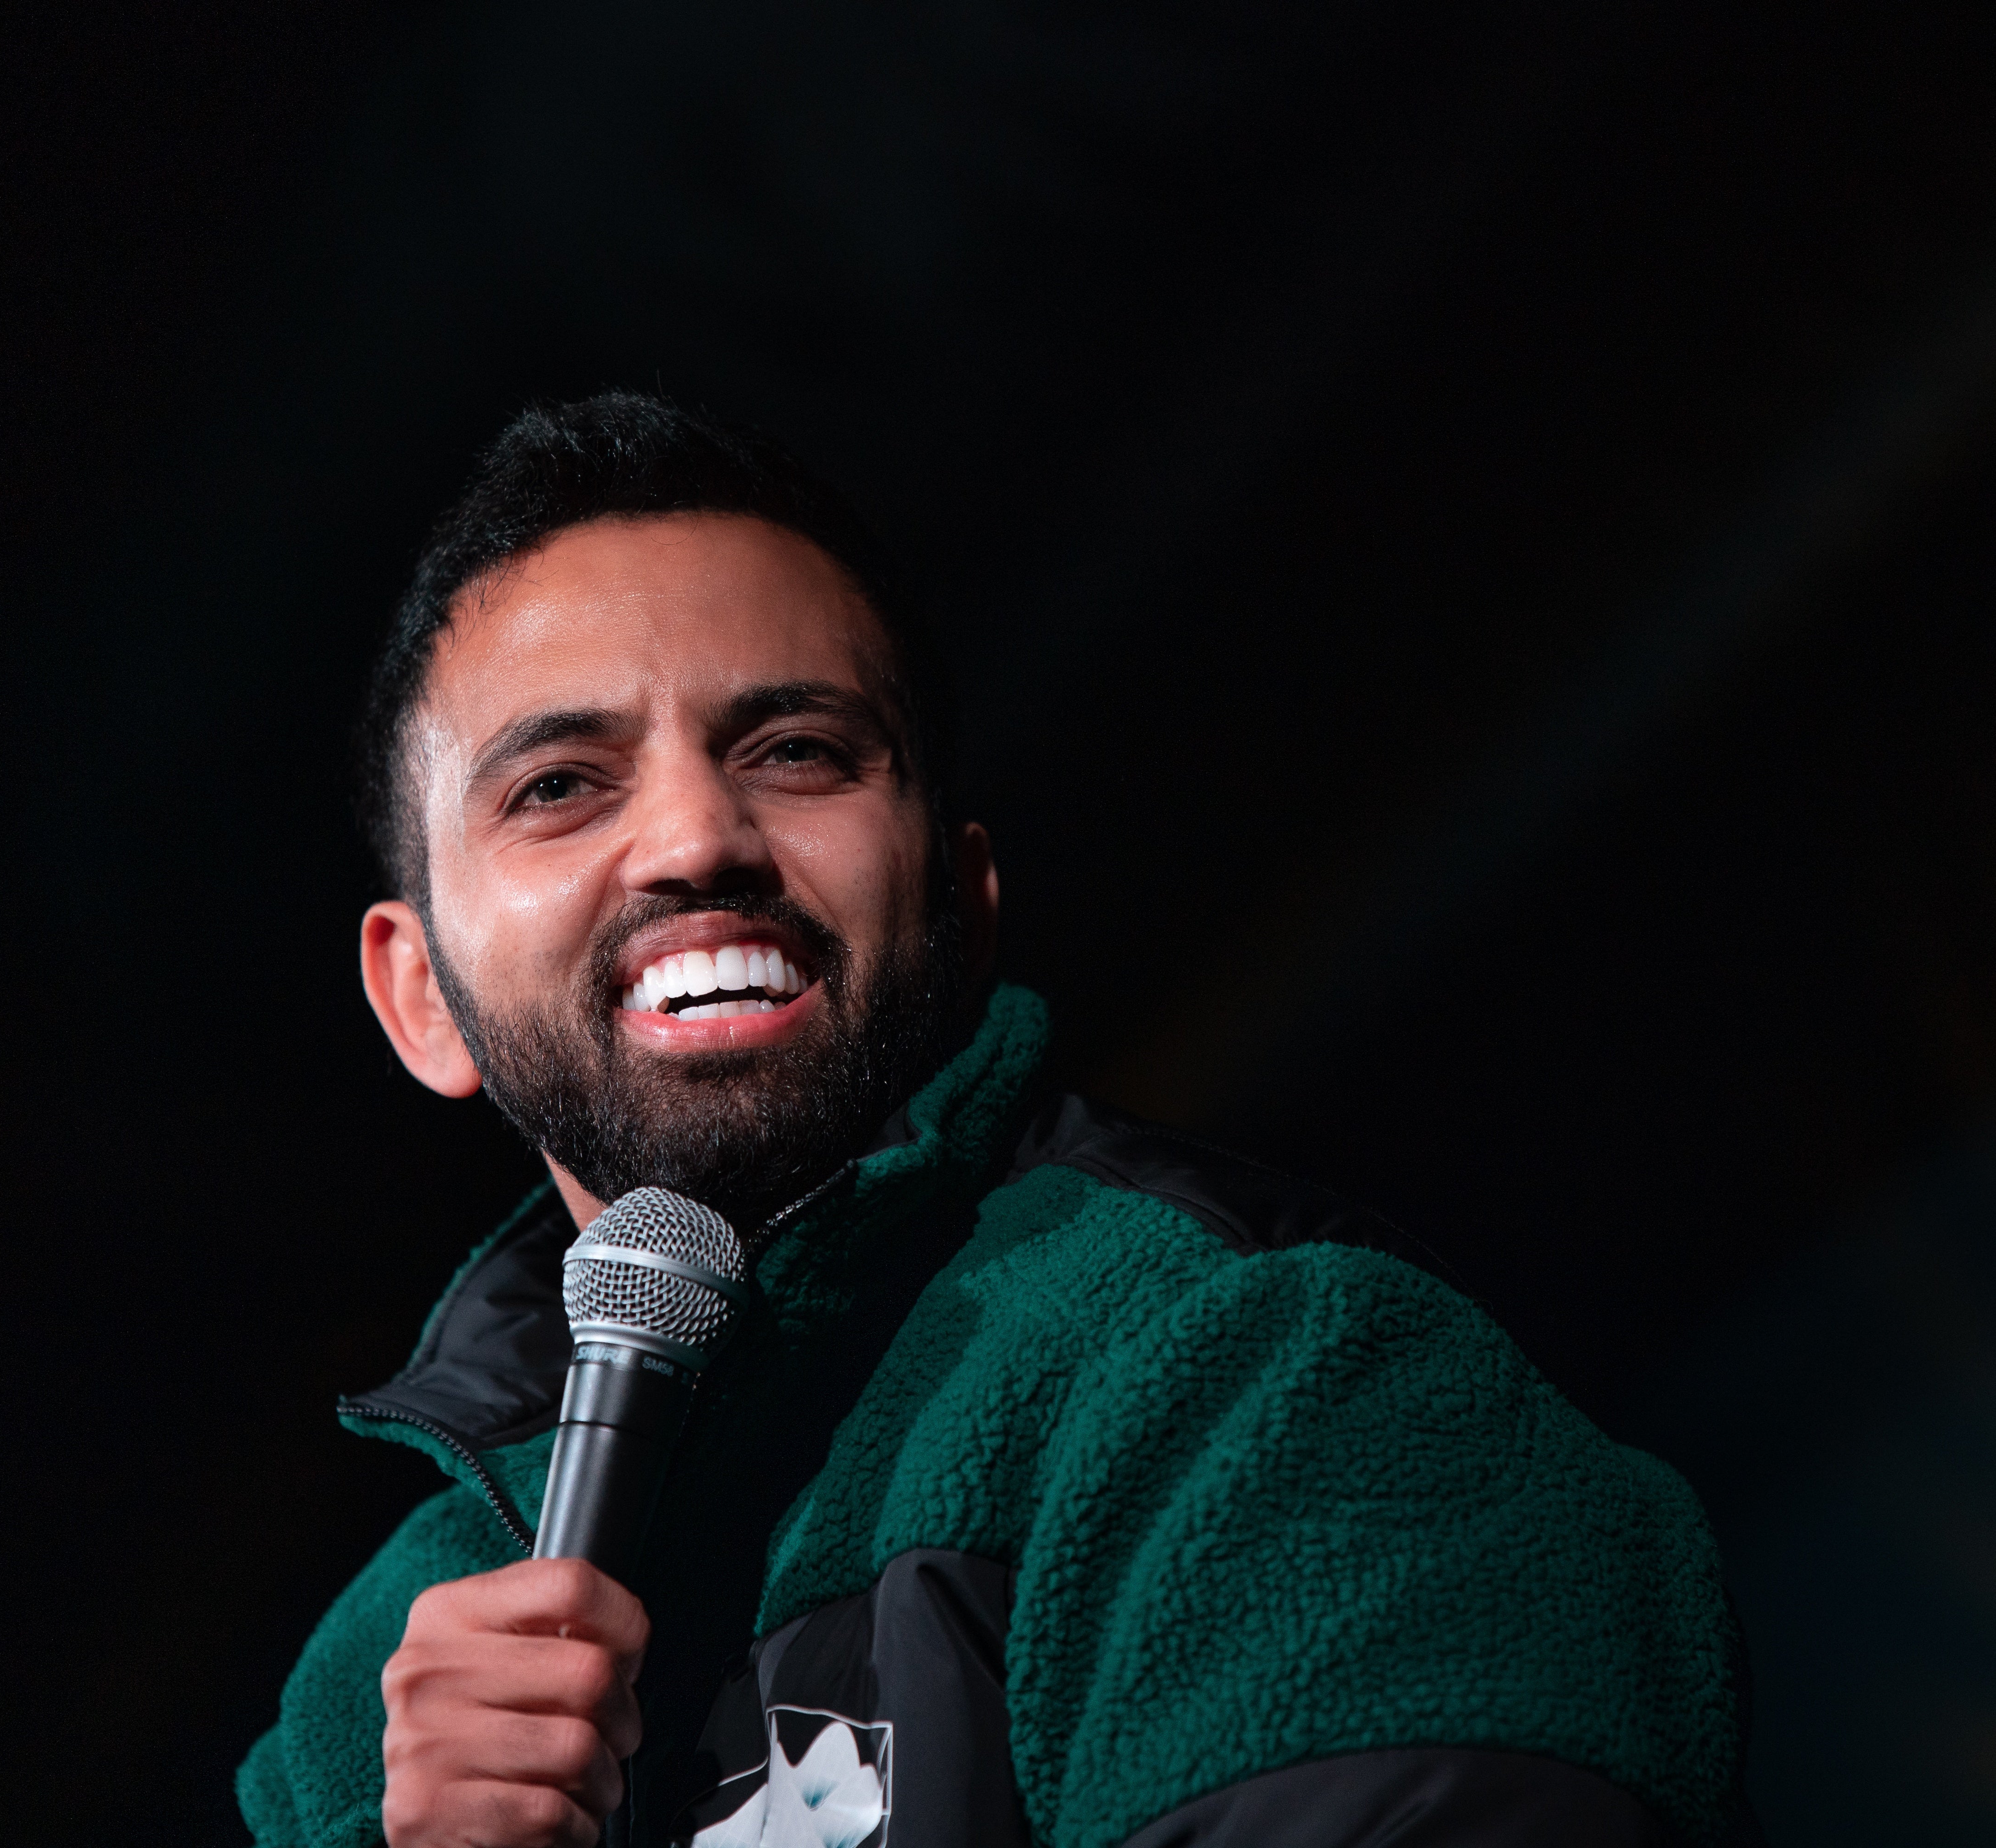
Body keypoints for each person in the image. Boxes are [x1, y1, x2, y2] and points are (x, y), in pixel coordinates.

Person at [237, 393, 1755, 1848]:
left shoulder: (1268, 1374)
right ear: (421, 995)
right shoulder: (362, 1716)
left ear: (960, 904)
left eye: (798, 752)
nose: (696, 837)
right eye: (561, 784)